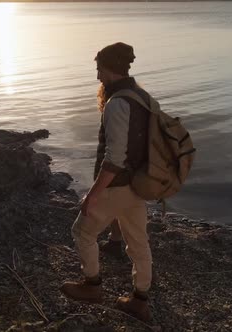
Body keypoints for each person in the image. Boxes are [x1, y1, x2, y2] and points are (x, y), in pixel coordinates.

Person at [60, 42, 153, 321]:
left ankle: (92, 285)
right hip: (139, 184)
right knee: (138, 243)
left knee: (82, 232)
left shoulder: (117, 105)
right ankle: (139, 300)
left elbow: (114, 158)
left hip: (117, 185)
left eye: (99, 68)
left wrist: (92, 195)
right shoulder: (143, 97)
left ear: (110, 68)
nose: (97, 75)